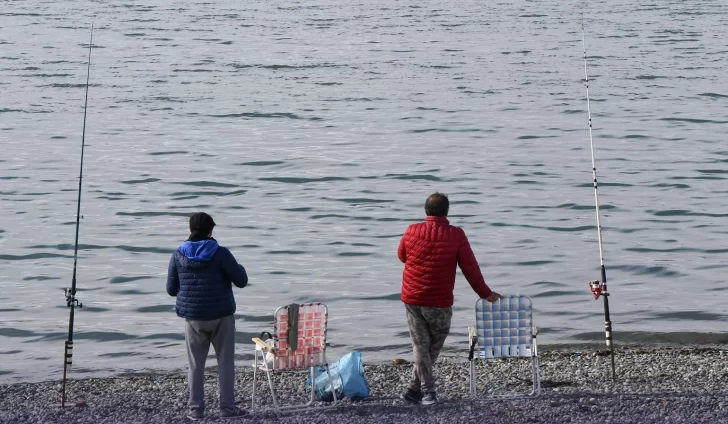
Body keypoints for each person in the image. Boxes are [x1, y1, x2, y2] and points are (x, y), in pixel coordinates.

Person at [397, 192, 502, 406]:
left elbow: (402, 255)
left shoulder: (411, 230)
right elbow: (470, 268)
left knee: (421, 346)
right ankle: (429, 392)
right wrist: (485, 293)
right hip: (439, 301)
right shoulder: (456, 235)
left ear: (426, 210)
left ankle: (413, 390)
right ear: (447, 211)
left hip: (413, 298)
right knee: (429, 347)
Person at [166, 212, 249, 420]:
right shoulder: (221, 253)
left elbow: (170, 289)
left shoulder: (178, 254)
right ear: (210, 230)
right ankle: (227, 408)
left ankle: (196, 410)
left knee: (195, 364)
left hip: (193, 317)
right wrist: (239, 268)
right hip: (221, 316)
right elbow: (241, 280)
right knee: (225, 362)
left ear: (190, 230)